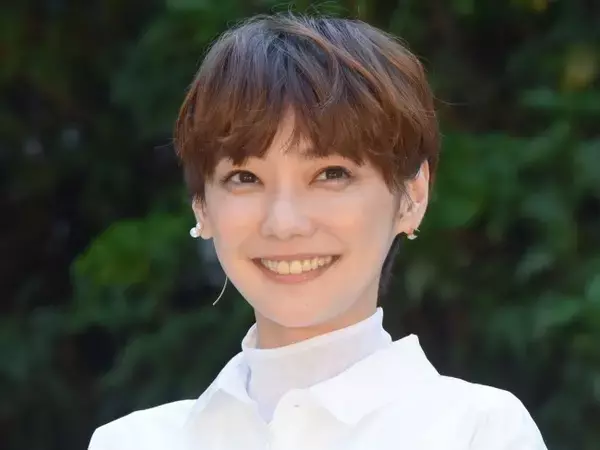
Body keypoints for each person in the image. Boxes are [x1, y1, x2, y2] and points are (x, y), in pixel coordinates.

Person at [88, 11, 547, 450]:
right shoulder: (133, 443)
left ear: (412, 196)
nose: (285, 223)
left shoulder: (477, 433)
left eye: (331, 174)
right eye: (245, 178)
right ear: (202, 206)